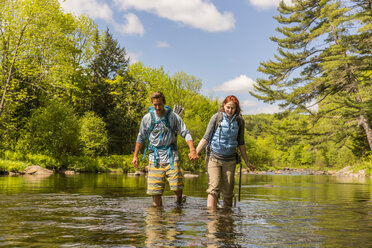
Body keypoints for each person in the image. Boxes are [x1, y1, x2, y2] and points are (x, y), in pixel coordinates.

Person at [132, 91, 198, 207]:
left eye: (160, 105)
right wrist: (135, 156)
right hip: (154, 158)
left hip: (171, 156)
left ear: (164, 103)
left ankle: (179, 200)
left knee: (177, 186)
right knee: (155, 191)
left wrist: (192, 150)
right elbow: (141, 137)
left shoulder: (173, 117)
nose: (157, 107)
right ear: (152, 104)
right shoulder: (147, 118)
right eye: (155, 105)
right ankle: (157, 218)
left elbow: (185, 133)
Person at [196, 95, 256, 209]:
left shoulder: (239, 121)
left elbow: (241, 143)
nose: (230, 110)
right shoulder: (216, 118)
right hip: (213, 158)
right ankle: (212, 220)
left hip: (230, 160)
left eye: (232, 108)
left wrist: (247, 162)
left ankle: (227, 220)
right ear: (224, 106)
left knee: (228, 194)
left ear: (236, 109)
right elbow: (206, 137)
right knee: (214, 189)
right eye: (228, 107)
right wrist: (196, 152)